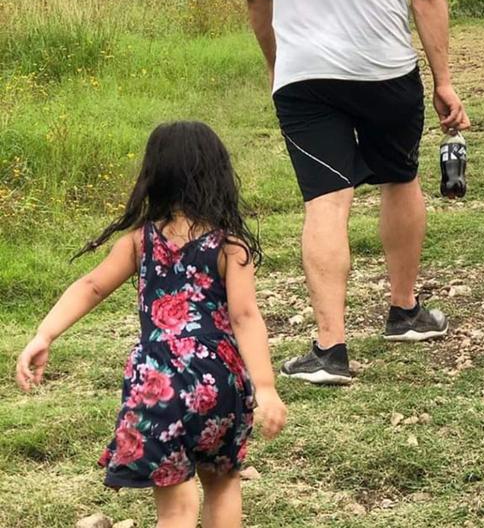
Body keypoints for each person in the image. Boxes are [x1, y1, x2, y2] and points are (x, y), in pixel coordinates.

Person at [15, 122, 287, 528]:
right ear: (219, 175)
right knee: (223, 482)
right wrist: (265, 387)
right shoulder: (230, 246)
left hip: (158, 379)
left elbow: (91, 286)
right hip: (220, 380)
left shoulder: (140, 242)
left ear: (153, 177)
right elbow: (244, 316)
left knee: (176, 509)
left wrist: (45, 333)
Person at [242, 0, 470, 385]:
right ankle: (405, 311)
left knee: (325, 200)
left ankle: (330, 349)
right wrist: (444, 80)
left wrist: (279, 64)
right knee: (400, 177)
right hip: (384, 65)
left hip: (305, 73)